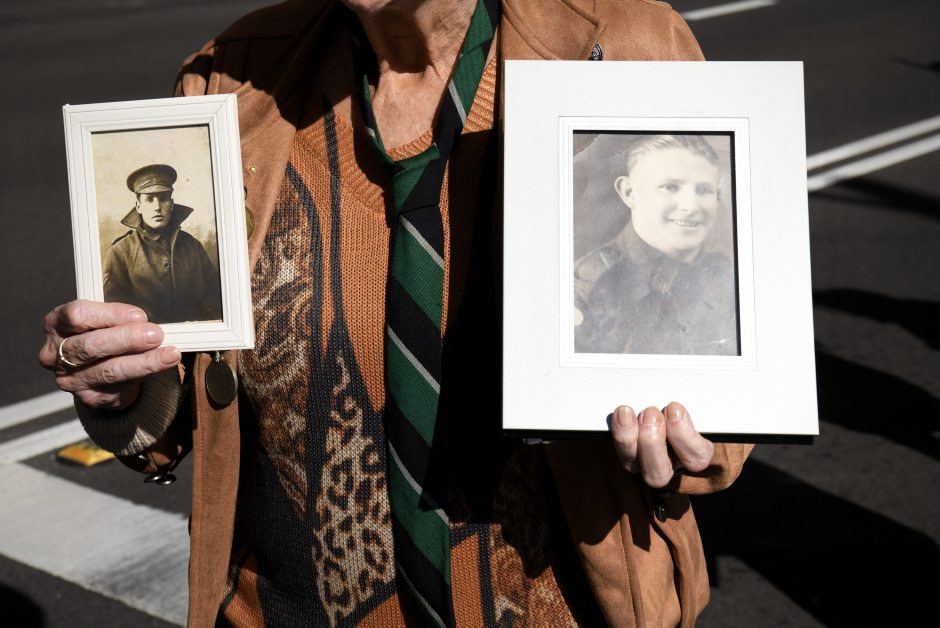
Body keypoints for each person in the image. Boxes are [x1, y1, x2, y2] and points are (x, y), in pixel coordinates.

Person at [39, 1, 752, 626]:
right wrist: (124, 390)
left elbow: (724, 324)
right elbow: (180, 390)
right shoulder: (234, 76)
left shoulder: (628, 40)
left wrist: (696, 427)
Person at [575, 134, 739, 355]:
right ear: (629, 193)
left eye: (703, 190)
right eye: (670, 187)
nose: (691, 206)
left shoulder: (727, 279)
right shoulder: (587, 289)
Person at [103, 163, 222, 324]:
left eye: (163, 199)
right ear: (138, 206)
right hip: (144, 336)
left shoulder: (192, 246)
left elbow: (215, 298)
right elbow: (113, 311)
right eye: (149, 200)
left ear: (171, 204)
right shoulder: (120, 252)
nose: (157, 207)